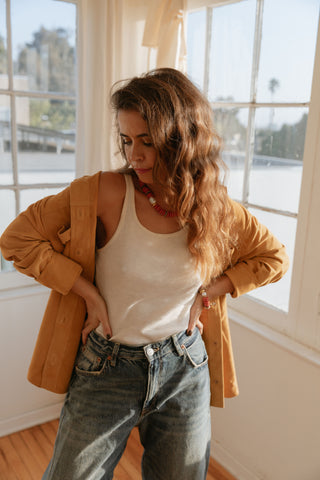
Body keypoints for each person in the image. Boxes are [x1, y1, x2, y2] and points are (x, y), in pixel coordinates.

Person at [0, 68, 289, 480]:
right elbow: (18, 240)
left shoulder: (214, 206)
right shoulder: (102, 191)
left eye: (147, 142)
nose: (133, 156)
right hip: (106, 367)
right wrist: (88, 293)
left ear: (182, 140)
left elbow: (272, 258)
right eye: (126, 140)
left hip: (185, 366)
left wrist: (209, 293)